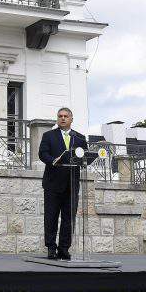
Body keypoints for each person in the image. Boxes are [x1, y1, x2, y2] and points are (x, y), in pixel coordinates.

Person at [38, 107, 88, 260]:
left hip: (71, 185)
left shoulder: (79, 137)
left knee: (69, 218)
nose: (63, 118)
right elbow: (42, 153)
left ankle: (64, 248)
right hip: (53, 184)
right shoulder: (48, 136)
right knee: (51, 217)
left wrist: (85, 160)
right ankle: (51, 248)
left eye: (66, 116)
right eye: (60, 116)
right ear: (57, 119)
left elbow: (84, 156)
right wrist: (52, 161)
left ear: (71, 119)